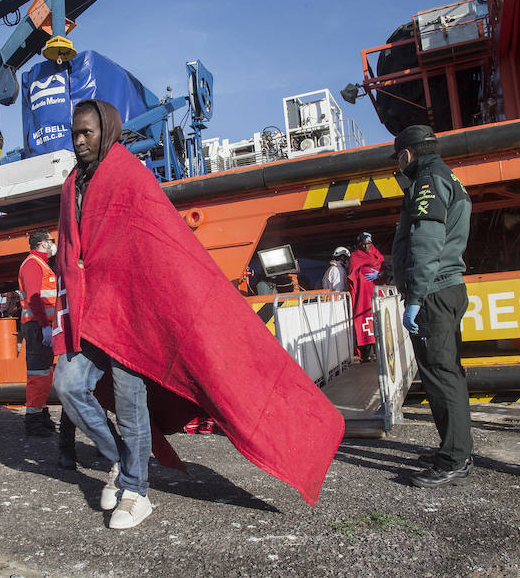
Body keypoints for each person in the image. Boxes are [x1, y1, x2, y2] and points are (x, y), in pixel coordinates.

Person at [52, 100, 343, 530]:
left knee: (133, 404)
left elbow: (160, 243)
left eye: (87, 133)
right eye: (74, 134)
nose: (79, 142)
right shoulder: (72, 183)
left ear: (106, 131)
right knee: (69, 384)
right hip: (93, 312)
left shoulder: (128, 173)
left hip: (132, 315)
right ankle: (116, 459)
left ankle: (137, 491)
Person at [390, 125, 472, 488]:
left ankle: (456, 459)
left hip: (434, 293)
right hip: (447, 287)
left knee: (441, 374)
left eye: (398, 159)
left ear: (407, 154)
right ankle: (452, 448)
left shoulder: (426, 182)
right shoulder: (448, 176)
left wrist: (416, 296)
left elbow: (425, 241)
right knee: (446, 372)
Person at [17, 229, 60, 437]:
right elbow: (34, 298)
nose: (54, 244)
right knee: (38, 374)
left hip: (40, 326)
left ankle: (40, 415)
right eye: (52, 241)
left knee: (44, 372)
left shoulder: (39, 264)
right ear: (43, 244)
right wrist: (44, 326)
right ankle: (33, 420)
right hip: (37, 326)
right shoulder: (33, 264)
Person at [348, 232, 387, 361]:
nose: (366, 247)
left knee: (381, 323)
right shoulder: (354, 257)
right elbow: (353, 276)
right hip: (363, 297)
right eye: (363, 244)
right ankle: (367, 355)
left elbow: (385, 268)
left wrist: (380, 274)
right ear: (359, 244)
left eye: (368, 244)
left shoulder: (377, 254)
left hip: (377, 293)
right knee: (365, 324)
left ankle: (382, 353)